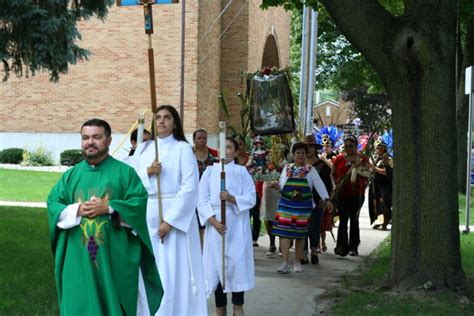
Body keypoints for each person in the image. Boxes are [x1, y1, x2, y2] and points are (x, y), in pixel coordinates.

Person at [47, 118, 163, 315]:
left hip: (114, 261)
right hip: (78, 263)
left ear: (108, 141)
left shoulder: (125, 173)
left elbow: (139, 205)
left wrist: (109, 207)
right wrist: (77, 210)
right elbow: (53, 205)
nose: (90, 142)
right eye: (85, 138)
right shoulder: (71, 176)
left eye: (96, 137)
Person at [130, 105, 207, 316]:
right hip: (148, 214)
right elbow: (130, 178)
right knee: (151, 268)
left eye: (167, 118)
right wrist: (149, 172)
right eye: (158, 118)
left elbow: (190, 187)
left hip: (175, 217)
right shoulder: (145, 149)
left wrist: (170, 221)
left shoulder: (183, 149)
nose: (162, 121)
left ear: (175, 123)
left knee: (174, 270)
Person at [198, 137, 256, 316]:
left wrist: (232, 198)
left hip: (236, 225)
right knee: (217, 265)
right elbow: (201, 199)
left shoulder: (241, 172)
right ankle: (220, 306)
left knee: (236, 265)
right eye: (223, 147)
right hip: (216, 224)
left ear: (237, 152)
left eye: (229, 147)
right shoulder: (209, 172)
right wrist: (213, 221)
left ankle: (238, 305)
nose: (225, 150)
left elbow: (251, 197)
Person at [270, 142, 333, 273]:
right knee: (284, 234)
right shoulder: (287, 168)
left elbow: (320, 185)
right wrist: (276, 186)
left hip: (303, 207)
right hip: (286, 206)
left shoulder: (311, 170)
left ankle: (297, 262)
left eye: (303, 153)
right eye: (298, 152)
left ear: (306, 155)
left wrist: (326, 199)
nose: (301, 155)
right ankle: (285, 262)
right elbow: (282, 185)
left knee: (300, 235)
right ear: (293, 155)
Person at [332, 135, 370, 257]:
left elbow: (367, 174)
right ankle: (341, 246)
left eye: (351, 146)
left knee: (354, 220)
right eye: (346, 146)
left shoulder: (362, 159)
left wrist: (357, 169)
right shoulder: (338, 159)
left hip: (356, 194)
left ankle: (353, 246)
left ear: (356, 146)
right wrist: (336, 184)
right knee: (343, 220)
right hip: (342, 193)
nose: (348, 148)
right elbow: (333, 174)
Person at [193, 128, 218, 246]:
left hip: (210, 192)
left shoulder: (214, 154)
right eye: (199, 138)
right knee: (197, 222)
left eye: (204, 138)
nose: (202, 140)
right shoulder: (189, 154)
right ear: (194, 140)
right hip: (194, 192)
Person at [369, 141, 393, 230]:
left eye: (379, 148)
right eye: (376, 148)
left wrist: (374, 167)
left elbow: (386, 172)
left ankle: (385, 223)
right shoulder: (377, 158)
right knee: (376, 204)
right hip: (376, 185)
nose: (377, 150)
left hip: (384, 186)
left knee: (384, 204)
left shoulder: (388, 159)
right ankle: (379, 221)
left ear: (383, 149)